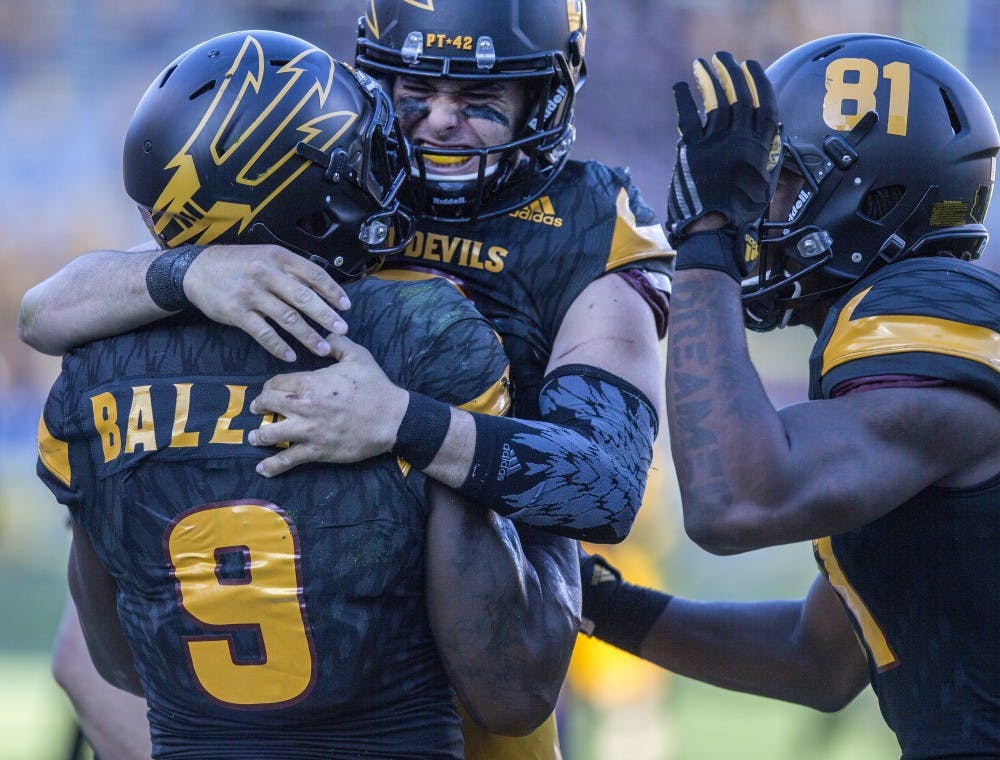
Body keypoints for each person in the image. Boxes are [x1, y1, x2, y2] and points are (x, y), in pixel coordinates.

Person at [20, 2, 674, 756]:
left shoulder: (587, 221)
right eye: (414, 94)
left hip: (474, 627)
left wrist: (405, 422)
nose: (437, 124)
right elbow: (46, 312)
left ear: (546, 98)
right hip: (278, 587)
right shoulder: (318, 167)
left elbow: (605, 486)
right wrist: (191, 268)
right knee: (83, 656)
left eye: (480, 102)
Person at [579, 34, 1000, 759]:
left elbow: (735, 501)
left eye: (774, 181)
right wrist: (591, 603)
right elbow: (819, 659)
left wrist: (707, 238)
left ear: (875, 196)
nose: (753, 210)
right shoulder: (902, 356)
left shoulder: (925, 305)